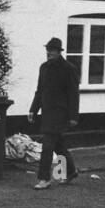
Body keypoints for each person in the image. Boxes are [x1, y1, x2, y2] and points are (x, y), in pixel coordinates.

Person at [28, 36, 80, 189]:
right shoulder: (43, 68)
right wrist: (33, 109)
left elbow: (73, 93)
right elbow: (40, 90)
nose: (48, 53)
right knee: (59, 146)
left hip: (61, 113)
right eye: (47, 50)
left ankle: (44, 179)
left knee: (47, 145)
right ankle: (70, 172)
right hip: (47, 112)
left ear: (59, 52)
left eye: (51, 50)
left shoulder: (69, 69)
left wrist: (73, 116)